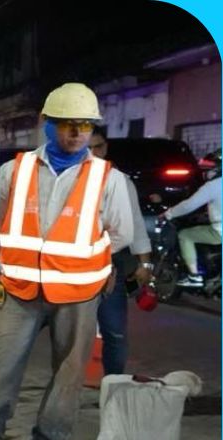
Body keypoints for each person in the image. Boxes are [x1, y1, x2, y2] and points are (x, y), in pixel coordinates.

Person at [0, 83, 138, 440]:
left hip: (77, 294)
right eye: (67, 124)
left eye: (85, 126)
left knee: (68, 375)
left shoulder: (108, 179)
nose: (76, 133)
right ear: (47, 124)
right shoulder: (13, 171)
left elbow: (120, 234)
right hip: (19, 290)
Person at [88, 127, 155, 376]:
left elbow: (136, 225)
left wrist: (145, 264)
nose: (93, 153)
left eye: (99, 147)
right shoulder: (66, 179)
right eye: (88, 147)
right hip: (70, 265)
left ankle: (113, 385)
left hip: (109, 265)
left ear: (105, 147)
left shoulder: (118, 181)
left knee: (114, 331)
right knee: (66, 331)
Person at [158, 150, 222, 288]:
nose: (208, 171)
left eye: (212, 167)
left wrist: (168, 214)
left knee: (185, 235)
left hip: (220, 232)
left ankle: (194, 276)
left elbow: (189, 205)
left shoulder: (214, 185)